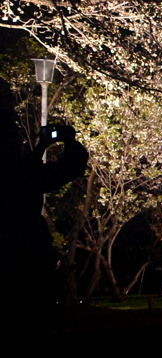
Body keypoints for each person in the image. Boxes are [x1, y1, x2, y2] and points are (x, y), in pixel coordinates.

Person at [0, 120, 88, 336]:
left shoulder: (20, 172)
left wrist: (39, 149)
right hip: (28, 258)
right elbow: (70, 168)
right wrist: (66, 141)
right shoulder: (23, 176)